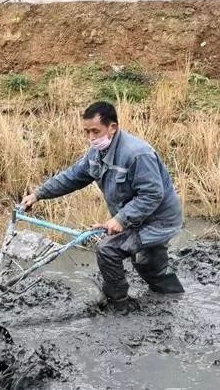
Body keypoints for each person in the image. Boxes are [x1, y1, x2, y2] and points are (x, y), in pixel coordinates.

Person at [21, 101, 184, 306]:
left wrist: (120, 219)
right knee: (149, 265)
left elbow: (152, 195)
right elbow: (73, 176)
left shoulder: (137, 154)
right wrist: (39, 194)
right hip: (137, 219)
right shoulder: (97, 153)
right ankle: (173, 298)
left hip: (158, 221)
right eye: (87, 132)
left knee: (109, 249)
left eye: (95, 131)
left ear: (112, 127)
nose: (91, 138)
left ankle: (119, 304)